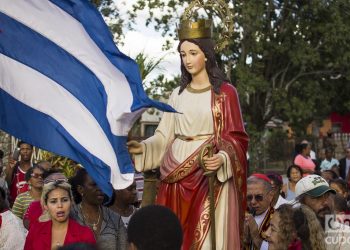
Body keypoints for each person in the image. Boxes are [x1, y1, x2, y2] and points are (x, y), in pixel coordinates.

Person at [127, 19, 248, 249]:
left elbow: (236, 137)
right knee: (175, 236)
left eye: (193, 53)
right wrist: (143, 148)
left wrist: (222, 158)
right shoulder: (177, 94)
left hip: (209, 174)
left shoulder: (224, 93)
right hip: (175, 176)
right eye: (183, 54)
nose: (188, 60)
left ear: (207, 54)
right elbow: (164, 136)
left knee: (207, 238)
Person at [24, 180, 96, 249]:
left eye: (64, 200)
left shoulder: (85, 234)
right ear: (46, 205)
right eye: (53, 201)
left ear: (71, 202)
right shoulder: (36, 230)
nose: (60, 205)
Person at [70, 168, 127, 250]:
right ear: (80, 189)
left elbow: (124, 247)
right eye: (94, 184)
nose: (100, 188)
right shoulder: (71, 216)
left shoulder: (115, 218)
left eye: (102, 184)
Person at [295, 174, 350, 249]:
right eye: (317, 197)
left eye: (327, 196)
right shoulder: (292, 234)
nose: (325, 202)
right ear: (301, 202)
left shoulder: (346, 234)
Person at [244, 174, 274, 250]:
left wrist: (254, 233)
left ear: (270, 196)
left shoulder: (279, 219)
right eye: (249, 197)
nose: (253, 202)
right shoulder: (241, 216)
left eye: (258, 197)